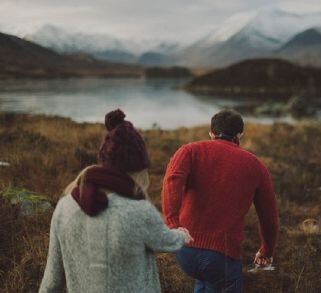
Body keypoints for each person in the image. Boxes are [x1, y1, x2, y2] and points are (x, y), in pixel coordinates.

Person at [39, 109, 193, 293]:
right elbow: (166, 241)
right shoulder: (138, 211)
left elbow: (52, 282)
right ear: (138, 169)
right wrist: (182, 235)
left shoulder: (65, 208)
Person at [161, 110, 279, 292]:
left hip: (185, 250)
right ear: (240, 135)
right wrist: (266, 250)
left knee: (205, 280)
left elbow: (172, 181)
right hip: (222, 255)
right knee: (215, 277)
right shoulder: (256, 165)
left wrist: (172, 224)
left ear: (211, 133)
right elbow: (269, 216)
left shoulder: (189, 150)